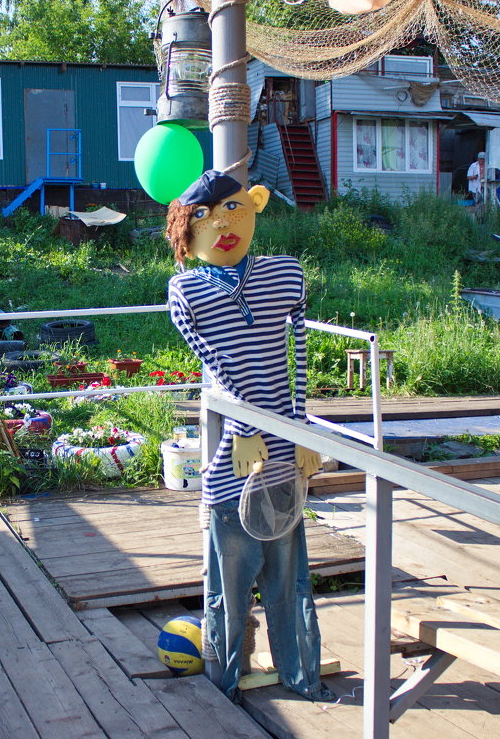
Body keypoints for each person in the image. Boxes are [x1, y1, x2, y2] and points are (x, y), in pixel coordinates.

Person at [165, 170, 332, 705]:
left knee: (291, 584)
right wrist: (244, 427)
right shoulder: (187, 289)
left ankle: (303, 676)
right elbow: (218, 366)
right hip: (234, 459)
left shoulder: (284, 275)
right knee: (227, 590)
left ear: (255, 207)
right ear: (186, 232)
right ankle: (223, 687)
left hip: (282, 455)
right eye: (206, 216)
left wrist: (301, 427)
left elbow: (298, 353)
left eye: (235, 209)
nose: (224, 224)